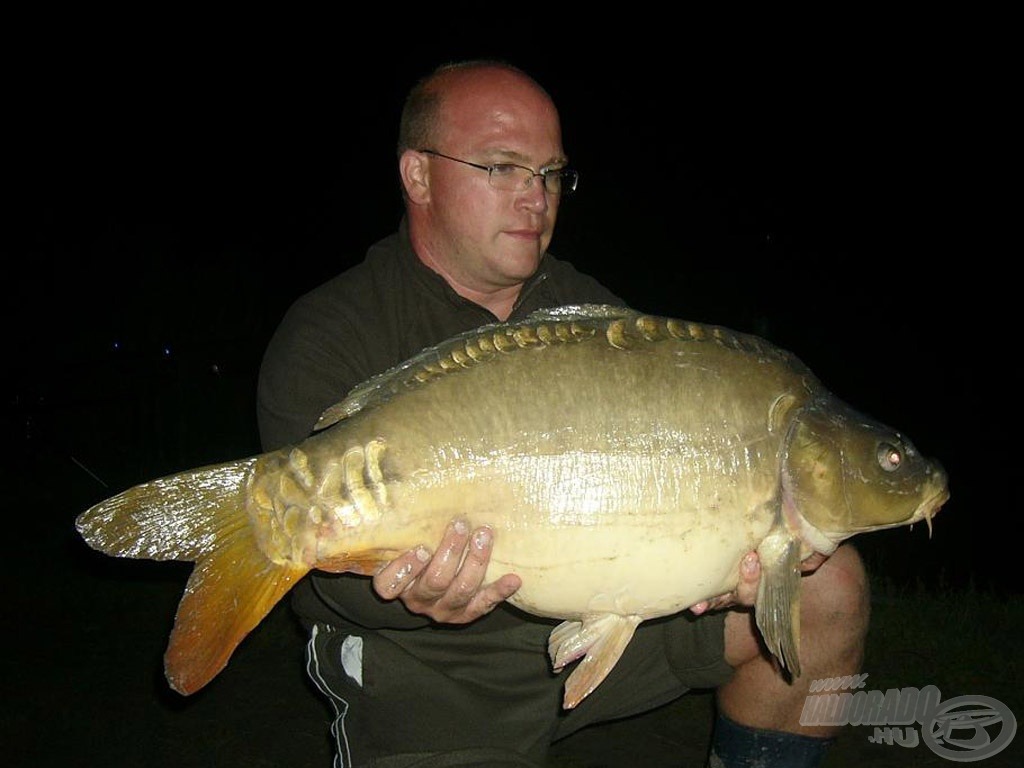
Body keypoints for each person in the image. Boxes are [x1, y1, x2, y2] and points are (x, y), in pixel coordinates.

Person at [256, 59, 868, 768]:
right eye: (502, 168)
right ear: (418, 176)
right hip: (424, 668)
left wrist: (742, 560)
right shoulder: (333, 332)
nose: (535, 199)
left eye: (550, 174)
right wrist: (410, 596)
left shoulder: (597, 326)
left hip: (611, 619)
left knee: (830, 587)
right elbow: (318, 580)